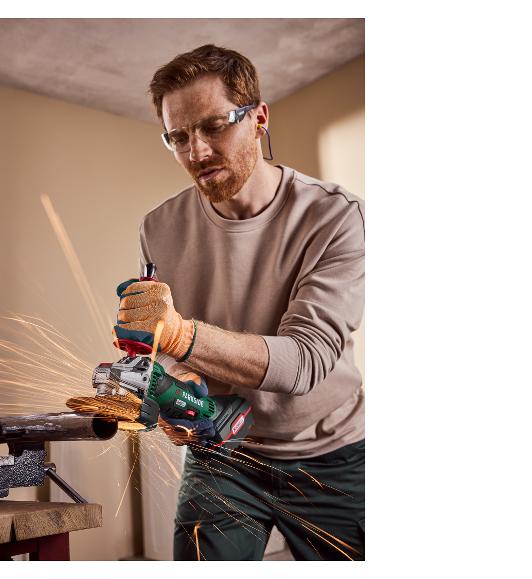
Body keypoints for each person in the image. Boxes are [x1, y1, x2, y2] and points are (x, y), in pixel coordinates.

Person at [114, 45, 365, 561]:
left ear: (258, 118)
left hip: (332, 454)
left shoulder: (335, 217)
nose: (197, 152)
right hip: (223, 454)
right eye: (178, 137)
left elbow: (306, 360)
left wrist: (183, 335)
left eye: (213, 126)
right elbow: (166, 347)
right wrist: (173, 385)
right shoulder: (158, 228)